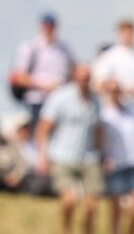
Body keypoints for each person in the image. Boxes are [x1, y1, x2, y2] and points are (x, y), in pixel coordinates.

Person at [39, 64, 104, 234]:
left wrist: (102, 153)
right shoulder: (60, 97)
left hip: (89, 157)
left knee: (91, 206)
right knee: (69, 200)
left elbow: (98, 131)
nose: (84, 80)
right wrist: (42, 156)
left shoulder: (95, 101)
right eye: (81, 76)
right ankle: (66, 230)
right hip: (62, 156)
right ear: (74, 77)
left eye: (87, 77)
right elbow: (43, 127)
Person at [101, 77, 134, 234]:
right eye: (111, 90)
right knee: (116, 209)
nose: (115, 93)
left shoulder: (133, 111)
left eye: (117, 90)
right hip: (115, 165)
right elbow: (100, 141)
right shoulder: (103, 114)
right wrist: (104, 158)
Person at [12, 12, 74, 130]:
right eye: (45, 25)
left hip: (60, 101)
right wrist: (46, 86)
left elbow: (72, 71)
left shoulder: (64, 48)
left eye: (51, 25)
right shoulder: (30, 47)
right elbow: (19, 77)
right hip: (37, 101)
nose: (48, 28)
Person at [93, 18, 134, 104]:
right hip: (117, 108)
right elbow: (98, 84)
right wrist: (121, 89)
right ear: (119, 34)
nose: (128, 36)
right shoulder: (109, 56)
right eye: (125, 33)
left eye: (131, 33)